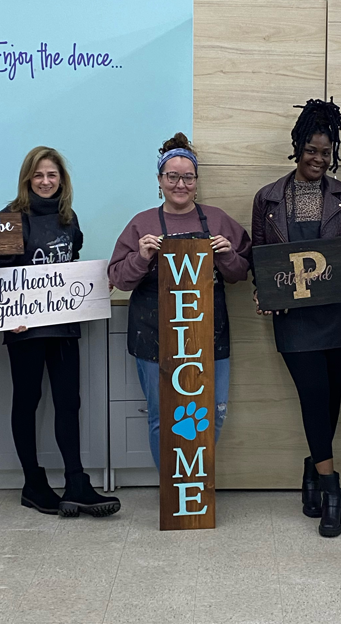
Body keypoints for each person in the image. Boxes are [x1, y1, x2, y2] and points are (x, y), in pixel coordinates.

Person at [250, 98, 341, 538]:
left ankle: (311, 467)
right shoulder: (266, 199)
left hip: (340, 310)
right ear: (297, 146)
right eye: (312, 150)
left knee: (332, 397)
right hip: (295, 315)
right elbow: (258, 258)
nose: (318, 159)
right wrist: (263, 291)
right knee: (314, 393)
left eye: (326, 151)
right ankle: (331, 488)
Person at [0, 147, 120, 518]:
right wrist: (4, 315)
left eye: (52, 175)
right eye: (38, 176)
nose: (46, 182)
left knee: (69, 401)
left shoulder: (68, 217)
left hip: (63, 324)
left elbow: (71, 266)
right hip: (24, 327)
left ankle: (76, 481)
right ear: (27, 179)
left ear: (62, 179)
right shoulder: (10, 219)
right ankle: (33, 483)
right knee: (27, 400)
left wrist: (95, 286)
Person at [108, 132, 251, 469]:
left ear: (197, 182)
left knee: (212, 415)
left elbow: (242, 271)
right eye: (172, 176)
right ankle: (173, 495)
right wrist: (141, 257)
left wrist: (228, 255)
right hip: (154, 337)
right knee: (162, 418)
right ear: (160, 180)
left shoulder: (217, 220)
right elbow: (118, 279)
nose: (180, 184)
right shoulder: (141, 223)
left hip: (209, 339)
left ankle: (195, 486)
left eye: (188, 177)